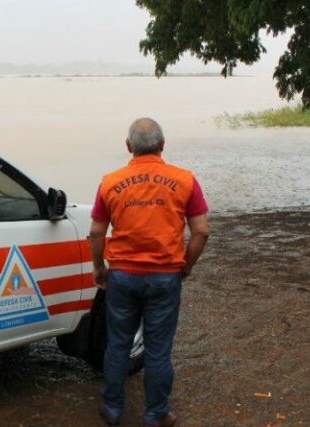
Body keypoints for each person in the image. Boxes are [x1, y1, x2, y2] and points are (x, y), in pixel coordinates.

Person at [89, 118, 210, 427]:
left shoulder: (109, 182)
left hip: (123, 275)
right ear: (163, 145)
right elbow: (201, 232)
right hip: (164, 276)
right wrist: (186, 265)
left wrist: (99, 267)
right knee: (157, 349)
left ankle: (113, 408)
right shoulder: (185, 180)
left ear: (129, 147)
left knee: (118, 343)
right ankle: (156, 413)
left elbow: (96, 232)